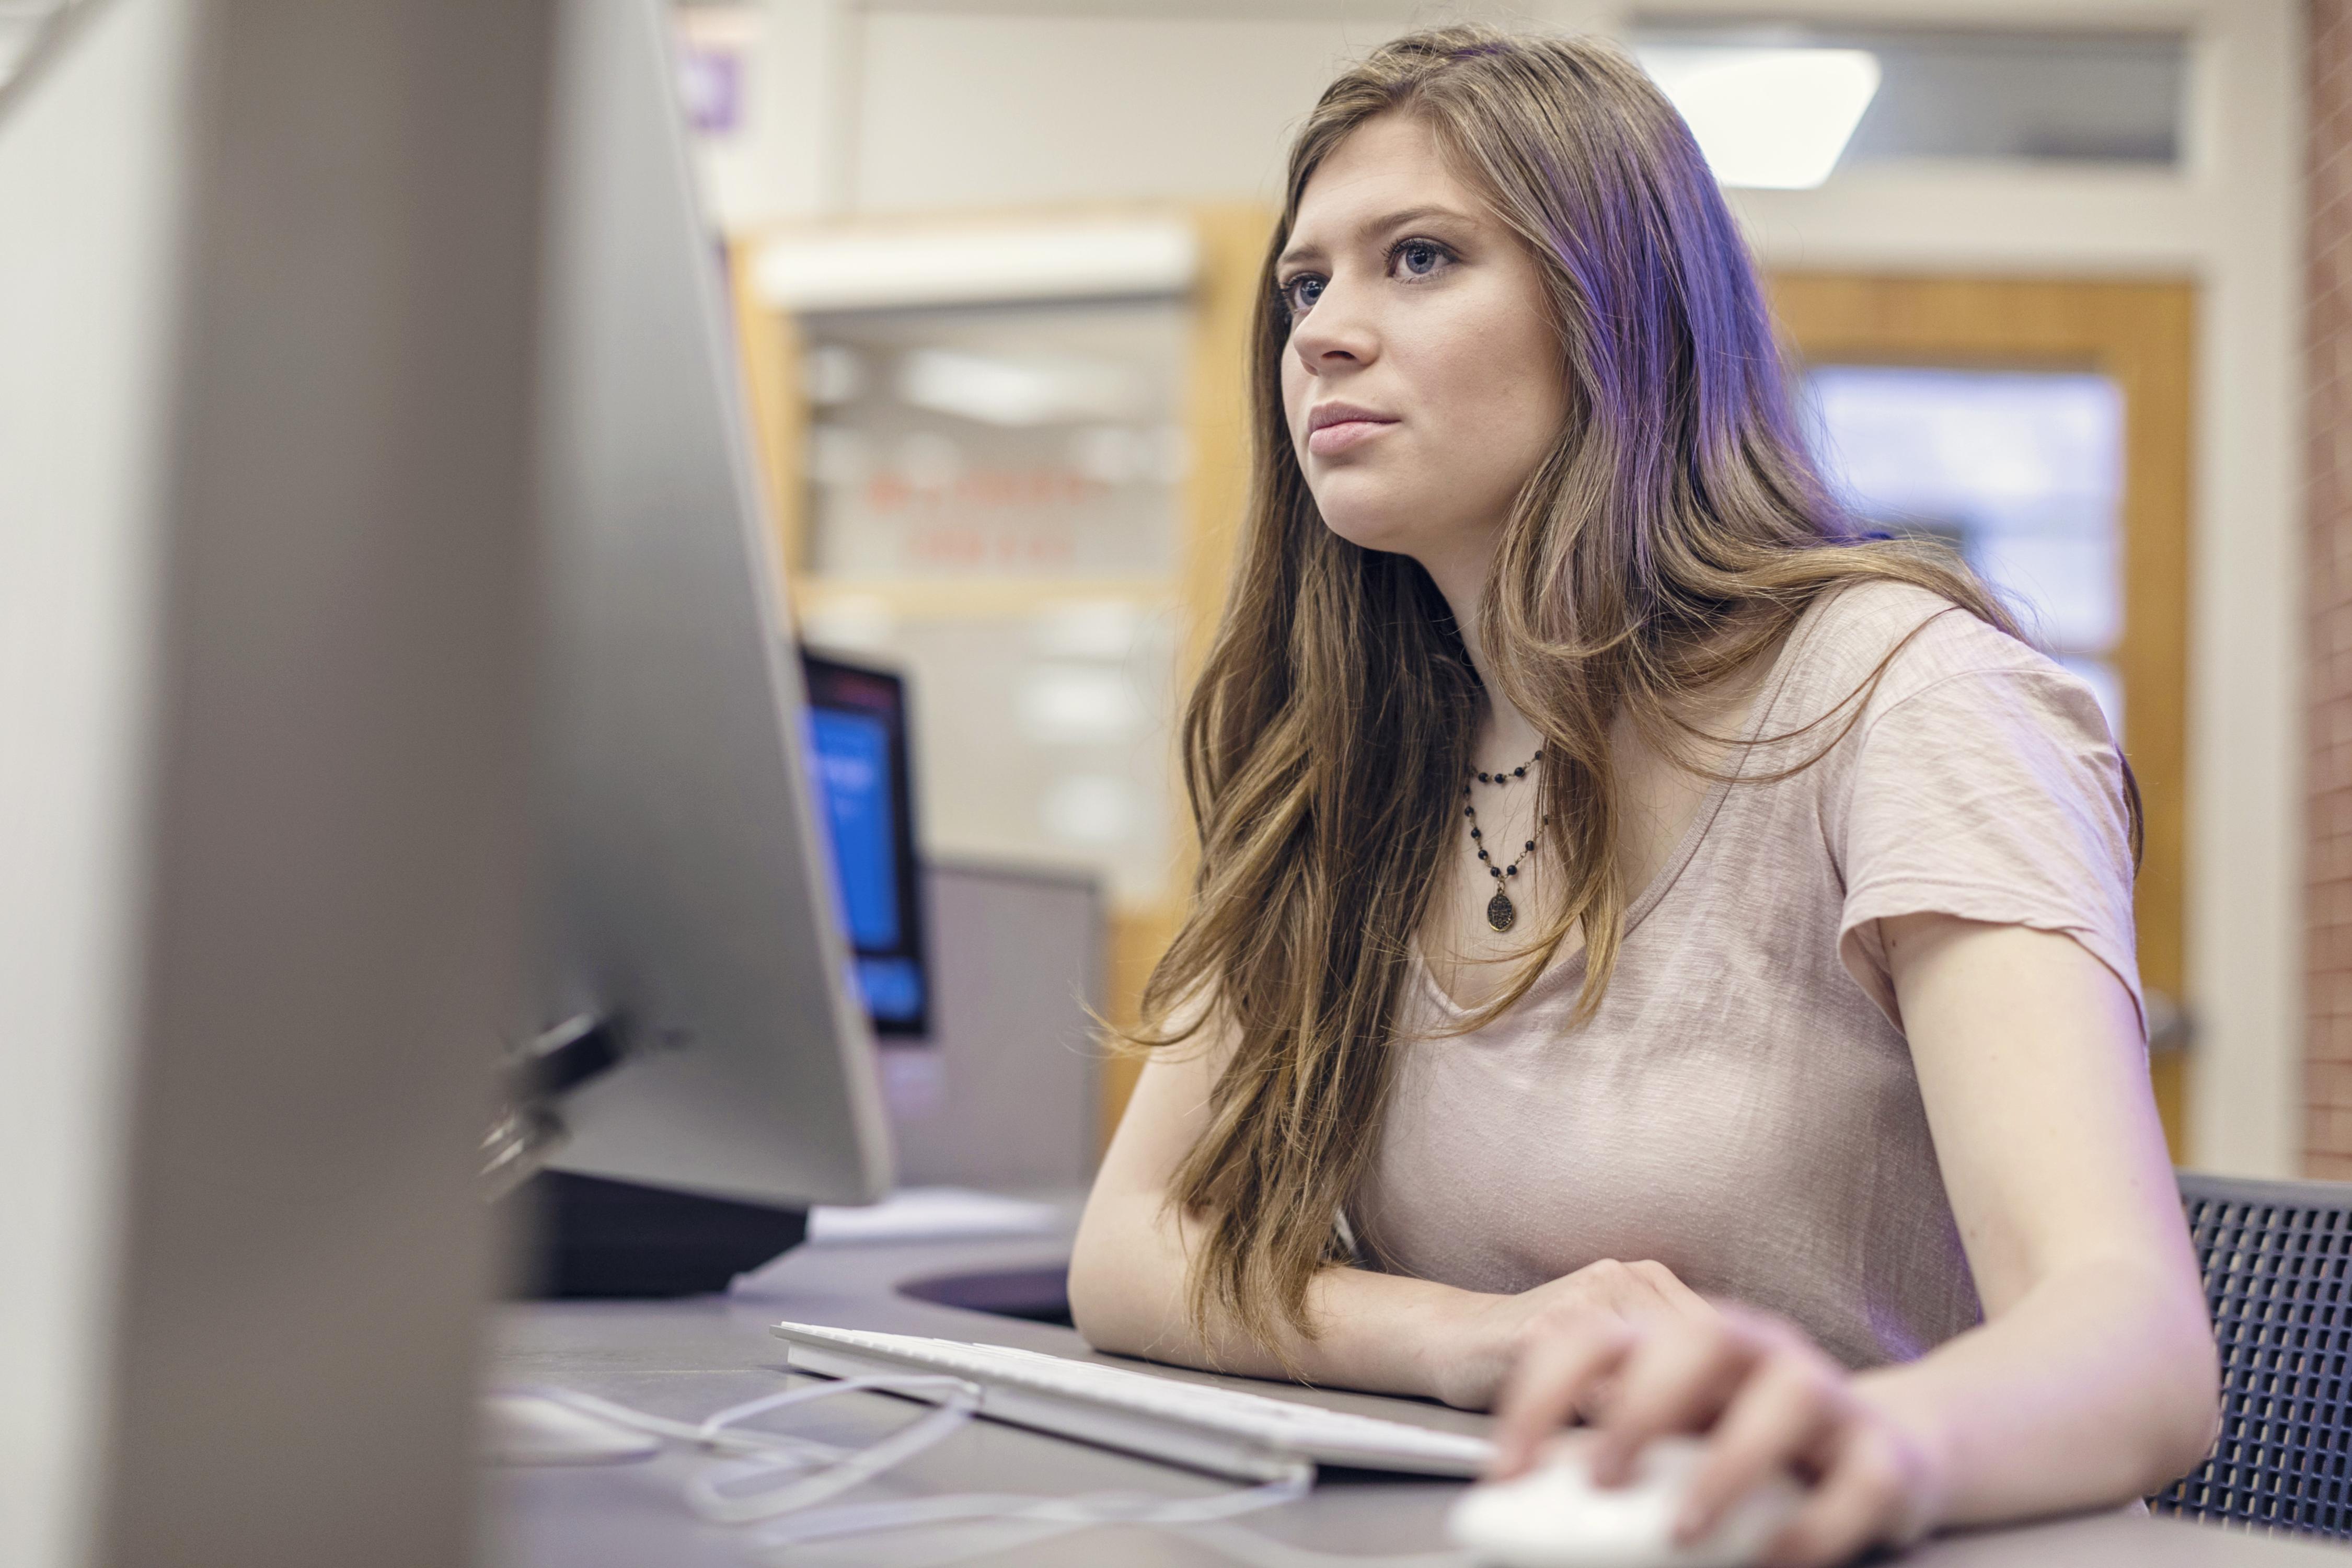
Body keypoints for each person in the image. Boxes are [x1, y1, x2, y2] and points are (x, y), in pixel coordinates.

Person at [1065, 24, 2219, 1568]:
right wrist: (1468, 1340)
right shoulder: (1361, 756)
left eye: (1419, 256)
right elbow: (1132, 1251)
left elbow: (2137, 1342)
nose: (1326, 331)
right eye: (1304, 283)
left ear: (1623, 316)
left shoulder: (1908, 701)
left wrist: (1877, 1442)